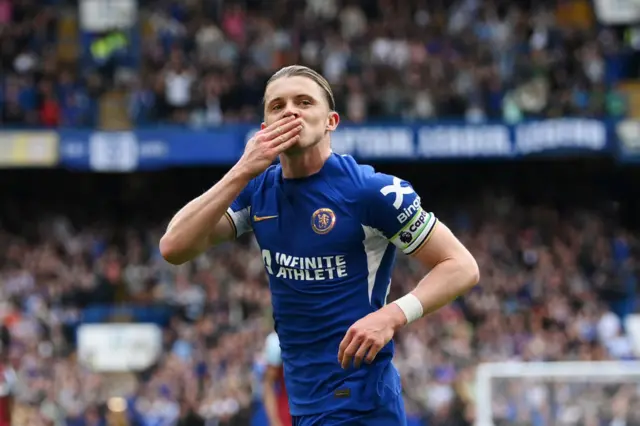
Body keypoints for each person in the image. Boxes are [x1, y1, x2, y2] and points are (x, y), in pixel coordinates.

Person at [160, 65, 479, 425]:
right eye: (277, 106)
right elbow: (174, 246)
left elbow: (461, 265)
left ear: (331, 121)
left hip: (361, 401)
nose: (290, 111)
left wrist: (392, 316)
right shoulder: (257, 191)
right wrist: (241, 170)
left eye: (304, 102)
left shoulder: (369, 192)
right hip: (303, 403)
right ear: (264, 128)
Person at [262, 332, 292, 426]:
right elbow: (268, 385)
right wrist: (274, 420)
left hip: (322, 410)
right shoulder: (276, 342)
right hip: (288, 415)